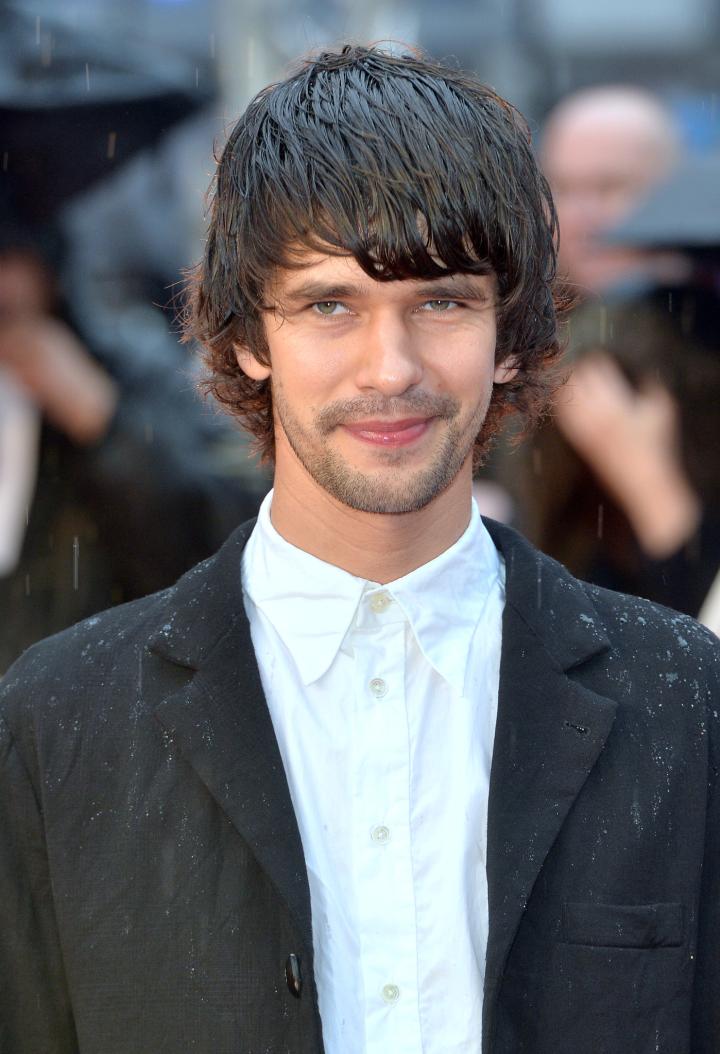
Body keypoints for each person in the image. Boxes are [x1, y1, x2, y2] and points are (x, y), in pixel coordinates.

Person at [0, 44, 718, 1054]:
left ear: (511, 332)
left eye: (443, 300)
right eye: (329, 303)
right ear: (250, 334)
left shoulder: (688, 703)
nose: (392, 368)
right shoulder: (55, 724)